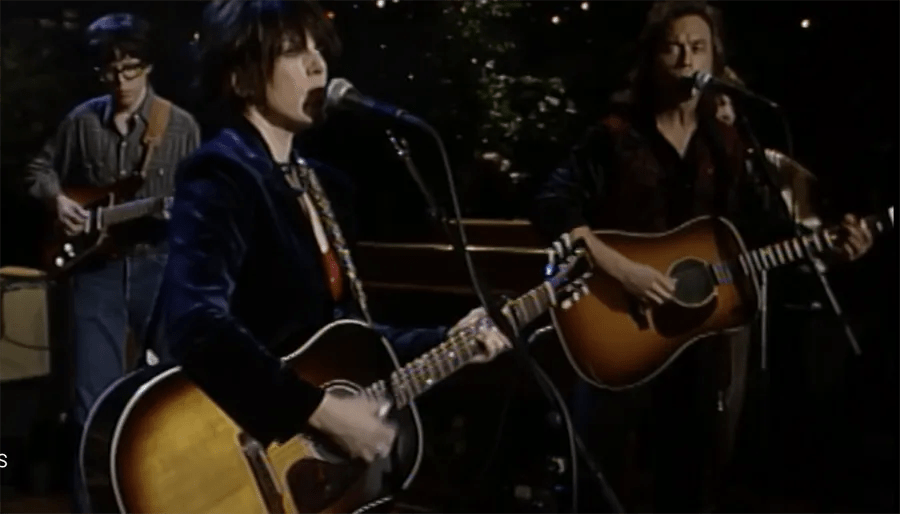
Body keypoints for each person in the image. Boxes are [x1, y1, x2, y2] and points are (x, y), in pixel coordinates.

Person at [152, 0, 509, 490]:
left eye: (320, 49)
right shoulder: (222, 174)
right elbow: (196, 321)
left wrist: (450, 341)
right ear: (240, 78)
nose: (318, 64)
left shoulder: (319, 186)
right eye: (295, 52)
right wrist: (319, 411)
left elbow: (343, 336)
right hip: (235, 449)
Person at [532, 1, 874, 512]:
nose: (687, 58)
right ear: (651, 58)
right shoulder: (614, 136)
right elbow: (551, 204)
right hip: (618, 327)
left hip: (699, 339)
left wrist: (831, 249)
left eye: (699, 47)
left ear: (716, 60)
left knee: (692, 478)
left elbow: (770, 234)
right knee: (603, 480)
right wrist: (622, 268)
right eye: (674, 46)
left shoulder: (729, 146)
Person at [22, 12, 201, 514]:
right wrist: (59, 201)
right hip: (95, 275)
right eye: (110, 71)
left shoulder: (181, 125)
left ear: (148, 67)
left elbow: (200, 202)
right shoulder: (82, 121)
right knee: (90, 407)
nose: (121, 81)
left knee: (170, 397)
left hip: (160, 268)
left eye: (131, 69)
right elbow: (38, 169)